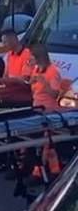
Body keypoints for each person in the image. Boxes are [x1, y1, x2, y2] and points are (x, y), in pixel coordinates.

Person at [30, 44, 62, 179]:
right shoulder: (36, 69)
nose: (30, 59)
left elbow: (55, 94)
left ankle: (38, 171)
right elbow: (33, 88)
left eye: (32, 56)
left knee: (45, 142)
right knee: (48, 144)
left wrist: (44, 83)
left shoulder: (53, 72)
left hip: (48, 110)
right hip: (37, 108)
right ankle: (55, 169)